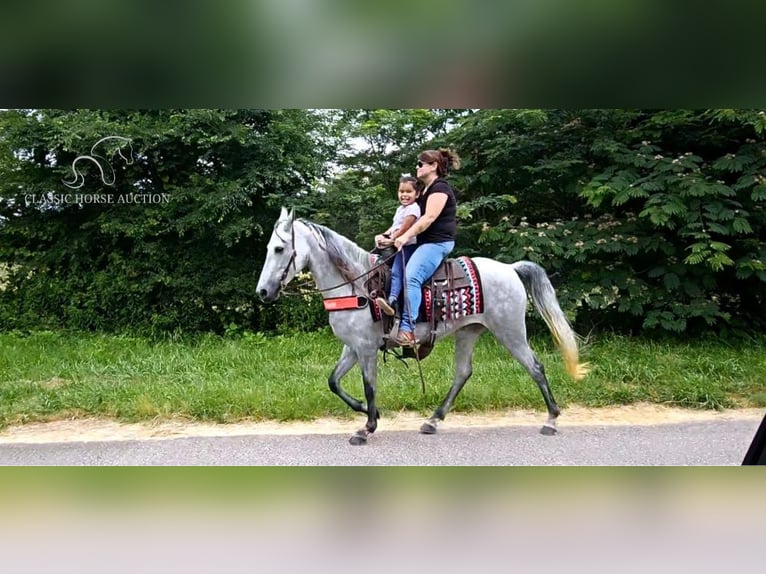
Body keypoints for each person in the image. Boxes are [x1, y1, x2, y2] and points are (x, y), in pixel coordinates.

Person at [392, 148, 461, 347]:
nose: (418, 167)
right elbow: (408, 218)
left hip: (437, 243)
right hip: (423, 243)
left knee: (411, 276)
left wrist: (405, 237)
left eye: (421, 164)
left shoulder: (440, 189)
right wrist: (390, 236)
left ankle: (408, 330)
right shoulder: (425, 191)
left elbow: (428, 218)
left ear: (433, 166)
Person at [375, 176, 421, 317]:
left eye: (408, 192)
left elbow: (404, 229)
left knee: (396, 271)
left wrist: (391, 240)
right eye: (401, 191)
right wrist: (383, 235)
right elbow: (394, 227)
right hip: (397, 246)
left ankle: (393, 300)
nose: (404, 195)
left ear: (417, 194)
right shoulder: (400, 209)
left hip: (408, 247)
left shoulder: (413, 209)